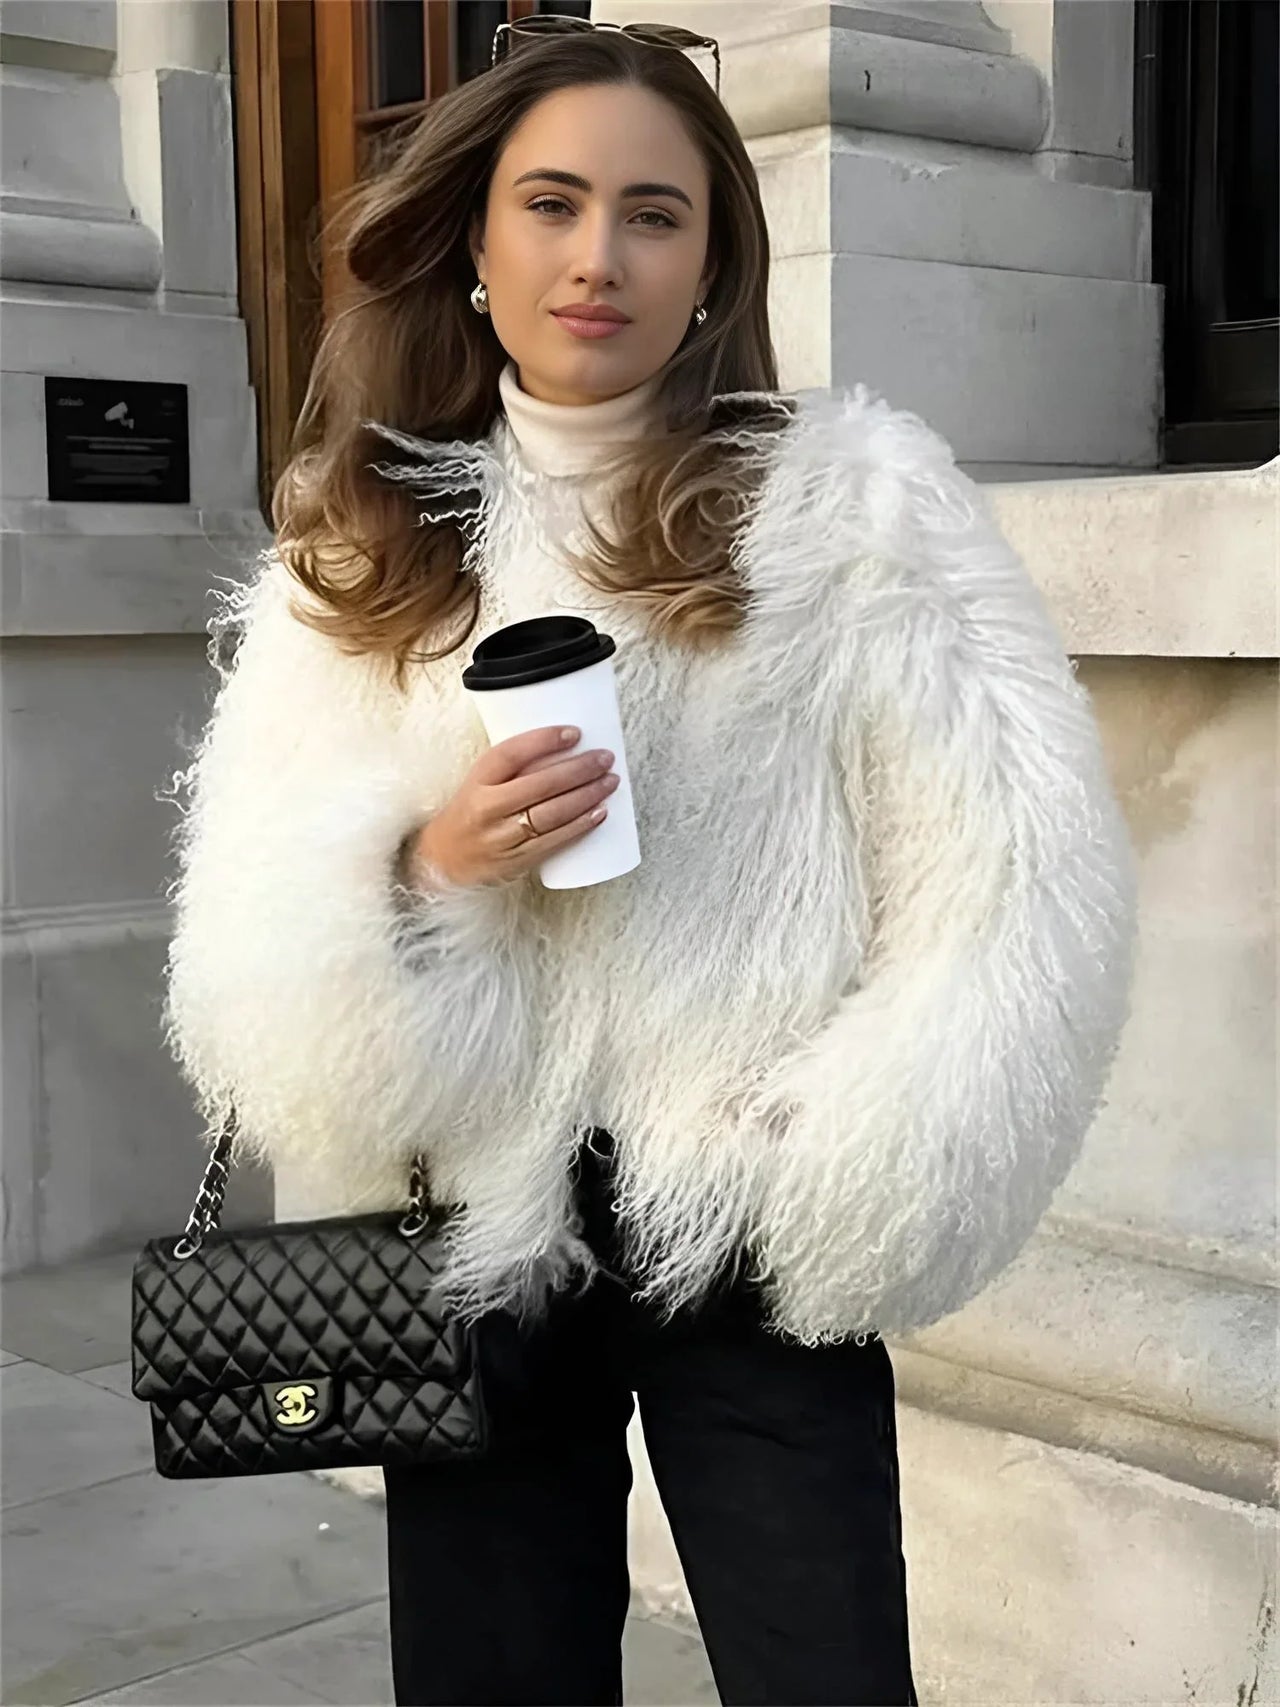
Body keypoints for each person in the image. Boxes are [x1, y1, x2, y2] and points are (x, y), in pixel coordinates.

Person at [159, 18, 1139, 1707]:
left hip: (757, 1211)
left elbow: (1016, 873)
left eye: (652, 213)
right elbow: (248, 919)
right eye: (551, 204)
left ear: (714, 260)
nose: (596, 257)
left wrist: (835, 1132)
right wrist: (430, 865)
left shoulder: (853, 509)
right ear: (473, 240)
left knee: (824, 1671)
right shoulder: (367, 536)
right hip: (468, 1221)